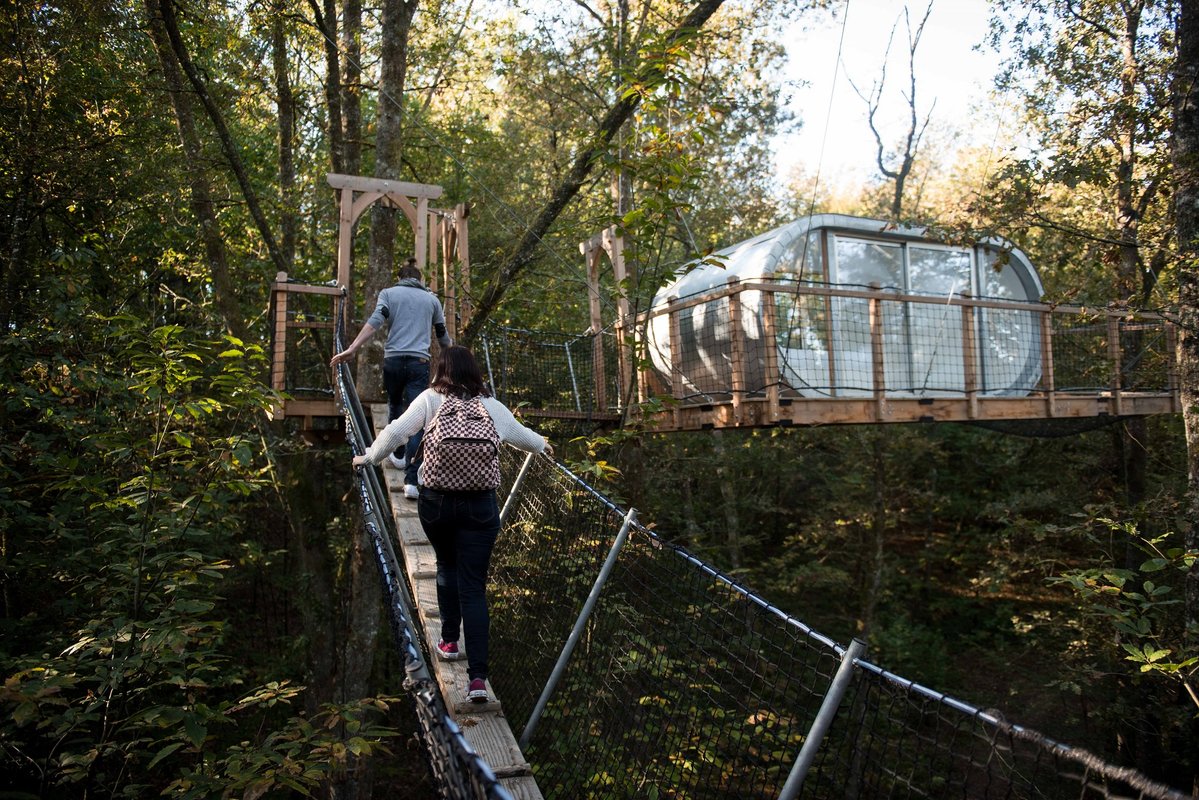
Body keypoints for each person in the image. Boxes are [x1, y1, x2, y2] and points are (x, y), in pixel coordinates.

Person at [352, 345, 553, 704]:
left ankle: (447, 641)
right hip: (480, 506)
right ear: (474, 372)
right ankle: (477, 680)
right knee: (474, 588)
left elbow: (397, 432)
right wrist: (543, 445)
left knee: (445, 565)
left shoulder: (430, 399)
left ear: (440, 371)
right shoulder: (490, 406)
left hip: (436, 503)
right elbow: (522, 436)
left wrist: (368, 457)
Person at [332, 259, 450, 499]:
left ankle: (397, 453)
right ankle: (411, 481)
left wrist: (352, 348)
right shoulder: (431, 300)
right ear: (420, 280)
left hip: (393, 362)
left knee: (395, 403)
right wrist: (457, 359)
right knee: (418, 417)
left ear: (400, 278)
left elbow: (375, 322)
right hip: (419, 362)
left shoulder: (389, 293)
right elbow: (442, 336)